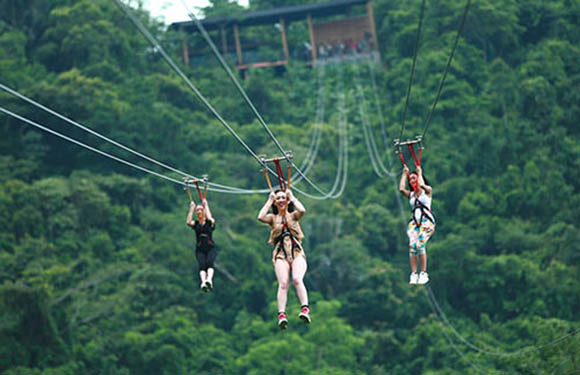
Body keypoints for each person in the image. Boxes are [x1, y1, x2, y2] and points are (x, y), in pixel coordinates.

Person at [258, 189, 310, 329]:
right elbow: (260, 217)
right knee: (283, 283)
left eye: (283, 198)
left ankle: (305, 308)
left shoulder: (293, 216)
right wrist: (270, 200)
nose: (281, 200)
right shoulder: (273, 218)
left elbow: (303, 210)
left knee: (297, 279)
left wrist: (291, 197)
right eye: (278, 198)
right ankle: (282, 315)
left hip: (296, 252)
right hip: (281, 253)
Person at [399, 165, 435, 285]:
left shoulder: (427, 191)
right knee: (412, 246)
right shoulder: (412, 195)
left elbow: (422, 186)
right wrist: (405, 175)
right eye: (411, 179)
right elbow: (401, 190)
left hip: (426, 222)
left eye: (414, 178)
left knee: (420, 244)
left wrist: (419, 173)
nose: (413, 181)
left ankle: (423, 273)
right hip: (415, 223)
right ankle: (414, 274)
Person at [186, 198, 217, 292]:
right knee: (202, 265)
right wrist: (191, 208)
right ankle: (203, 282)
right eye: (197, 210)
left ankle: (209, 280)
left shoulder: (209, 223)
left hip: (210, 248)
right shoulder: (196, 224)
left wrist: (206, 206)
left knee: (209, 263)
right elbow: (188, 222)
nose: (199, 211)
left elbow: (210, 218)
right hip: (200, 249)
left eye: (201, 210)